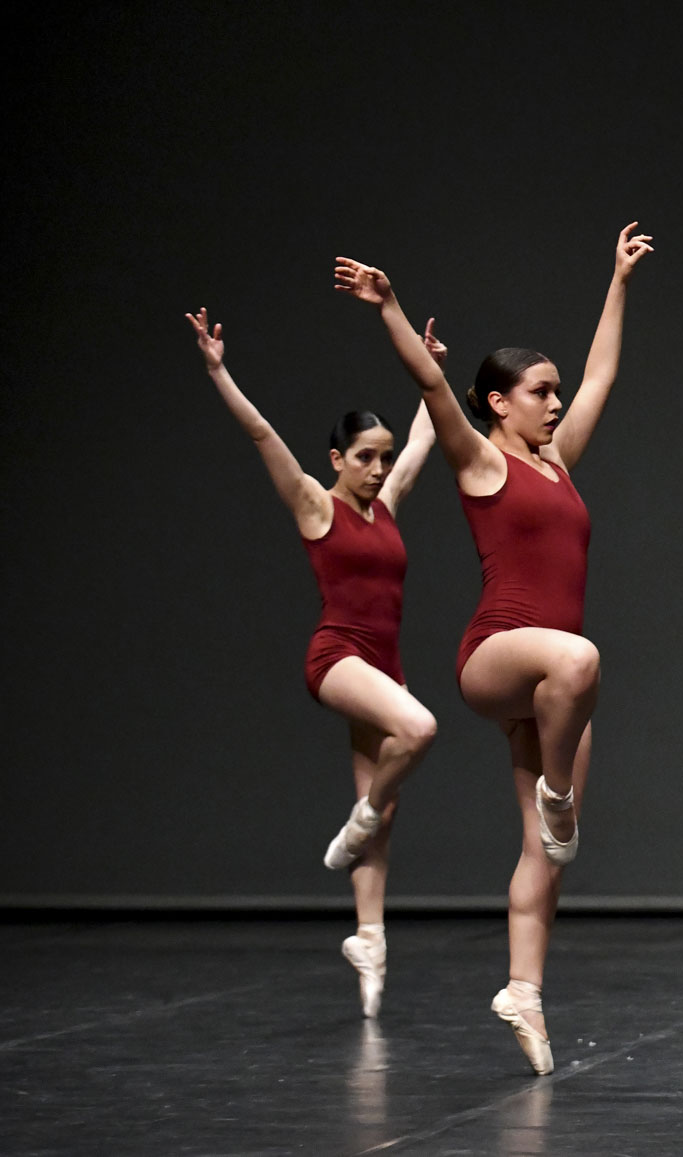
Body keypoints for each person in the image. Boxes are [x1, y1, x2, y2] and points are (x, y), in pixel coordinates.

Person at [334, 222, 652, 1074]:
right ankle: (556, 791)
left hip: (550, 695)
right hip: (497, 654)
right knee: (581, 658)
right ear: (498, 403)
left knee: (548, 854)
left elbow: (604, 375)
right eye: (540, 392)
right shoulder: (480, 462)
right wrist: (388, 305)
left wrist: (618, 281)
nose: (556, 403)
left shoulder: (561, 462)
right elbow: (430, 382)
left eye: (556, 392)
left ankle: (523, 991)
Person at [186, 307, 441, 1019]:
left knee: (386, 813)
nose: (378, 469)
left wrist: (431, 370)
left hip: (385, 664)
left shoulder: (388, 505)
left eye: (383, 457)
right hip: (338, 658)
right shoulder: (314, 506)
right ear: (336, 459)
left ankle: (369, 939)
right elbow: (261, 432)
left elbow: (427, 432)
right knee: (418, 731)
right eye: (364, 458)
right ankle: (357, 821)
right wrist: (218, 371)